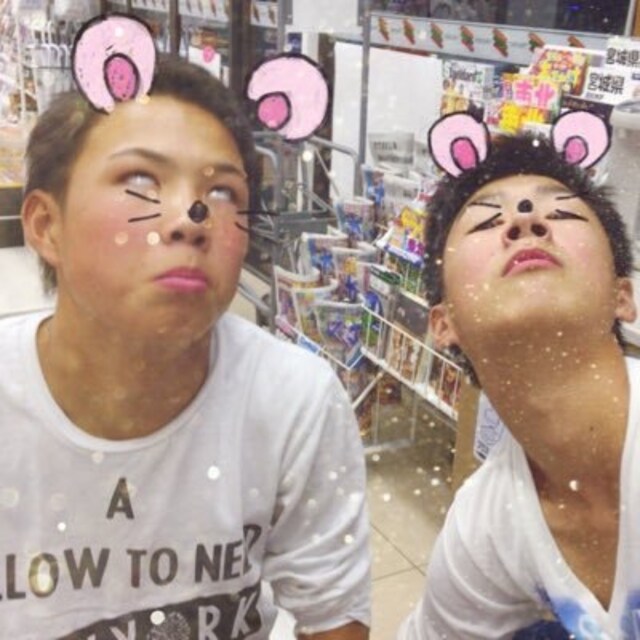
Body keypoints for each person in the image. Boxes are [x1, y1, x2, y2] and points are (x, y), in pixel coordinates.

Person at [1, 53, 370, 639]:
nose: (191, 218)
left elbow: (333, 619)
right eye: (139, 181)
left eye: (222, 191)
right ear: (47, 225)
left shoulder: (293, 400)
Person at [399, 112, 639, 639]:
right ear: (443, 322)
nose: (525, 221)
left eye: (562, 213)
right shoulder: (483, 531)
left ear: (622, 295)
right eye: (487, 222)